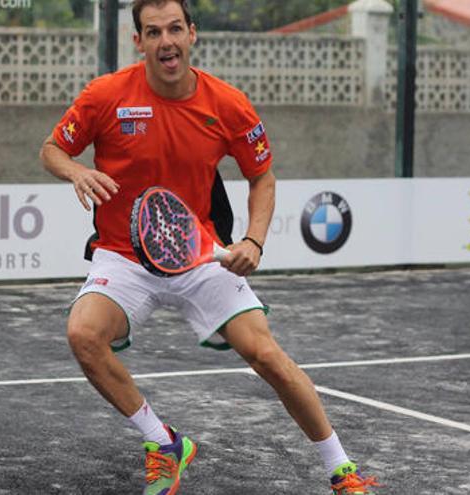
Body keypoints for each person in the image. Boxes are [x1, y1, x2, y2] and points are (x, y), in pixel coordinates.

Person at [38, 1, 380, 493]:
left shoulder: (228, 104)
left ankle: (342, 470)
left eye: (175, 29)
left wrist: (253, 241)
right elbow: (51, 148)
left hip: (198, 252)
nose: (166, 42)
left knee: (265, 355)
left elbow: (261, 176)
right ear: (139, 42)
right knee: (83, 335)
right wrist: (76, 169)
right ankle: (164, 442)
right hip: (122, 253)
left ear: (192, 34)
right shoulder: (106, 95)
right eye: (153, 32)